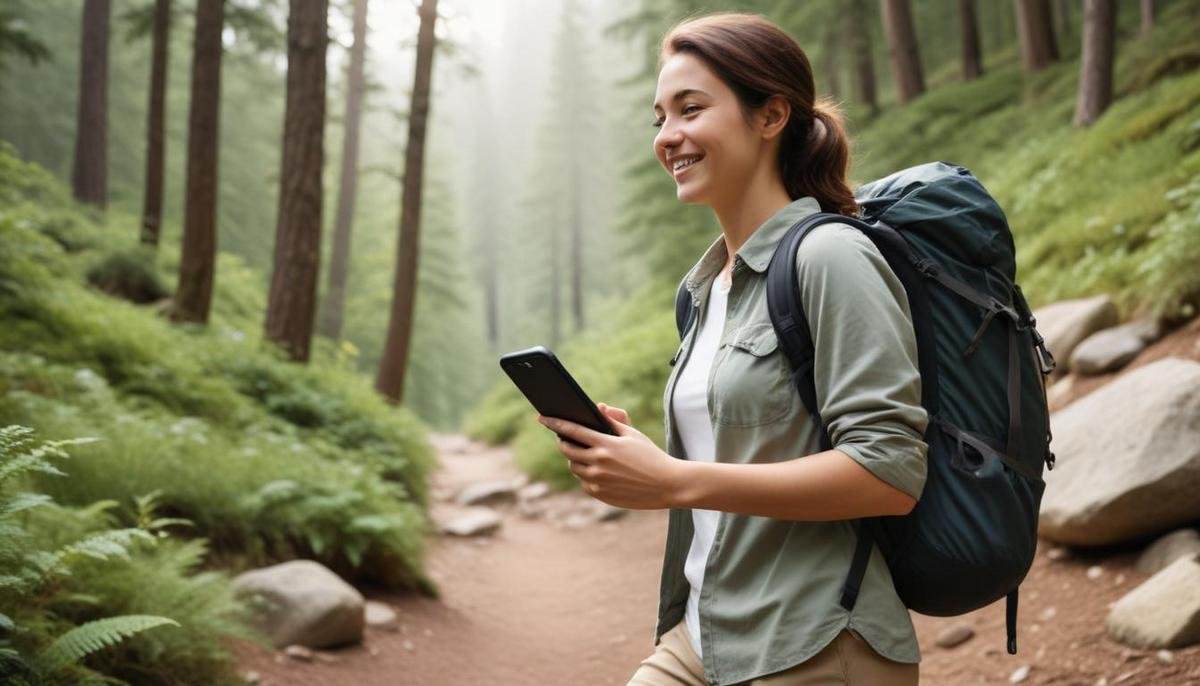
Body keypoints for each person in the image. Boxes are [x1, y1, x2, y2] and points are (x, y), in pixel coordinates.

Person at [537, 12, 927, 686]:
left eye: (691, 109)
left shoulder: (832, 256)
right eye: (658, 117)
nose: (669, 137)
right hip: (704, 633)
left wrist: (674, 481)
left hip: (816, 642)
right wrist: (652, 463)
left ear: (770, 115)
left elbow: (889, 473)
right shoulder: (706, 288)